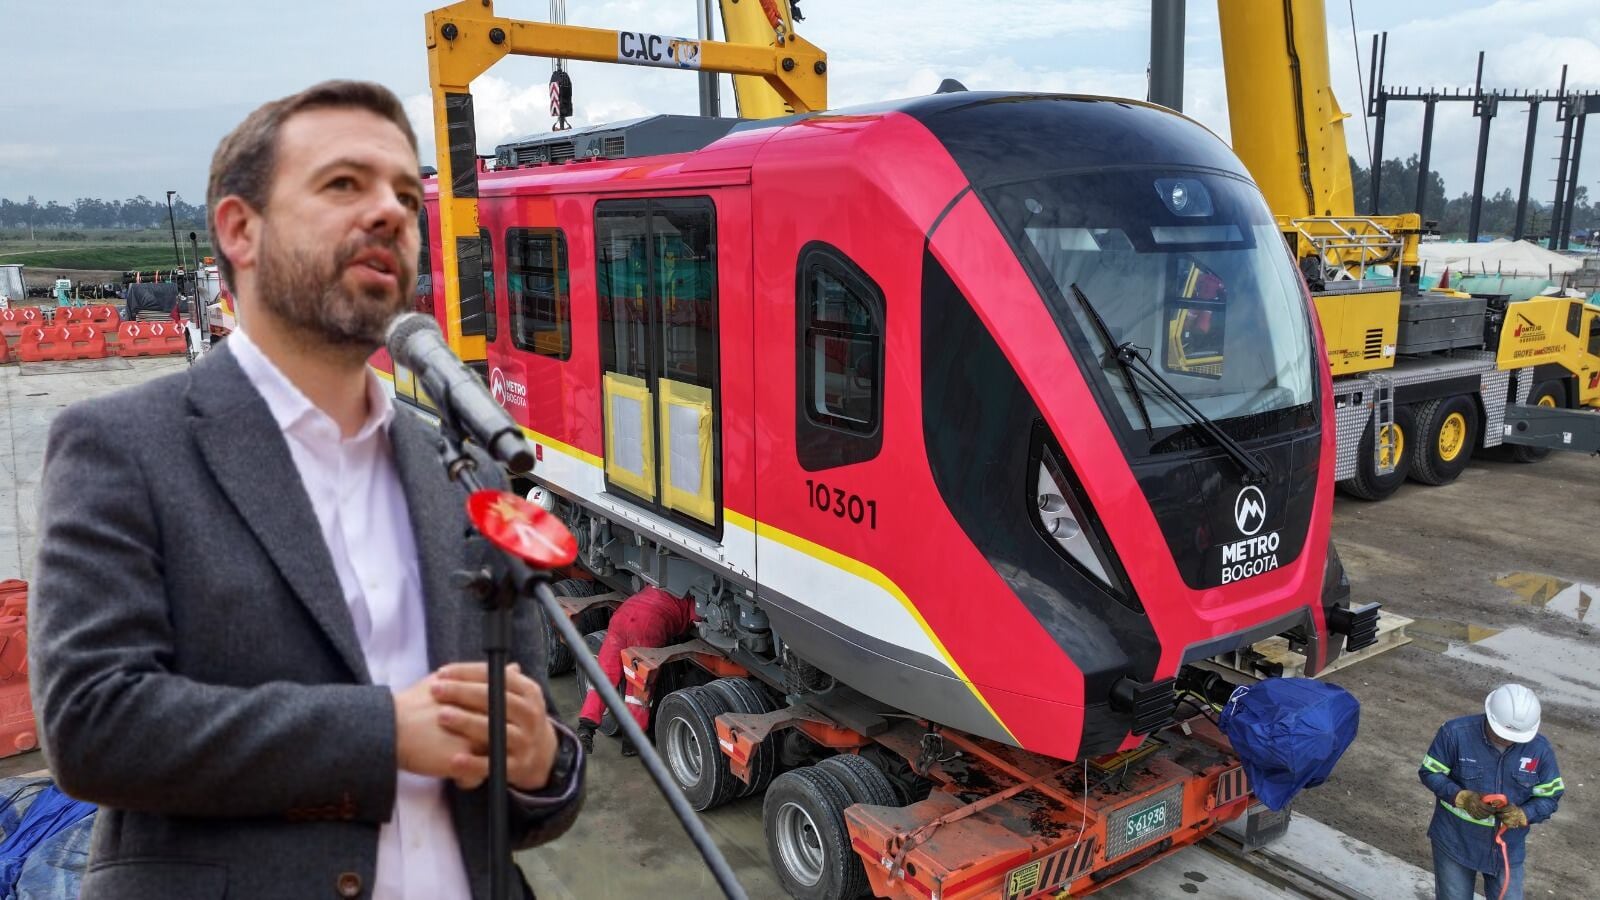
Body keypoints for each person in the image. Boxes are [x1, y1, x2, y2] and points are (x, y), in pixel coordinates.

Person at [29, 80, 584, 900]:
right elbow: (90, 722)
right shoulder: (121, 448)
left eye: (406, 194)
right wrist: (384, 734)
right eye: (342, 185)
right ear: (238, 230)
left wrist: (543, 763)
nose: (393, 213)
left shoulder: (464, 472)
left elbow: (525, 767)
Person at [1418, 684, 1564, 900]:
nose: (1507, 740)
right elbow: (1429, 772)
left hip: (1506, 848)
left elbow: (1550, 796)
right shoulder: (1455, 734)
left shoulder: (1539, 750)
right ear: (1489, 715)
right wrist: (1461, 797)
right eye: (1502, 734)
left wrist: (1524, 814)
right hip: (1455, 841)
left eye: (1515, 737)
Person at [576, 585, 697, 756]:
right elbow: (698, 617)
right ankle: (632, 741)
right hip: (647, 626)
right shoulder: (690, 597)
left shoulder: (657, 583)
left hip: (622, 617)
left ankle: (585, 728)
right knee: (638, 686)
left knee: (604, 675)